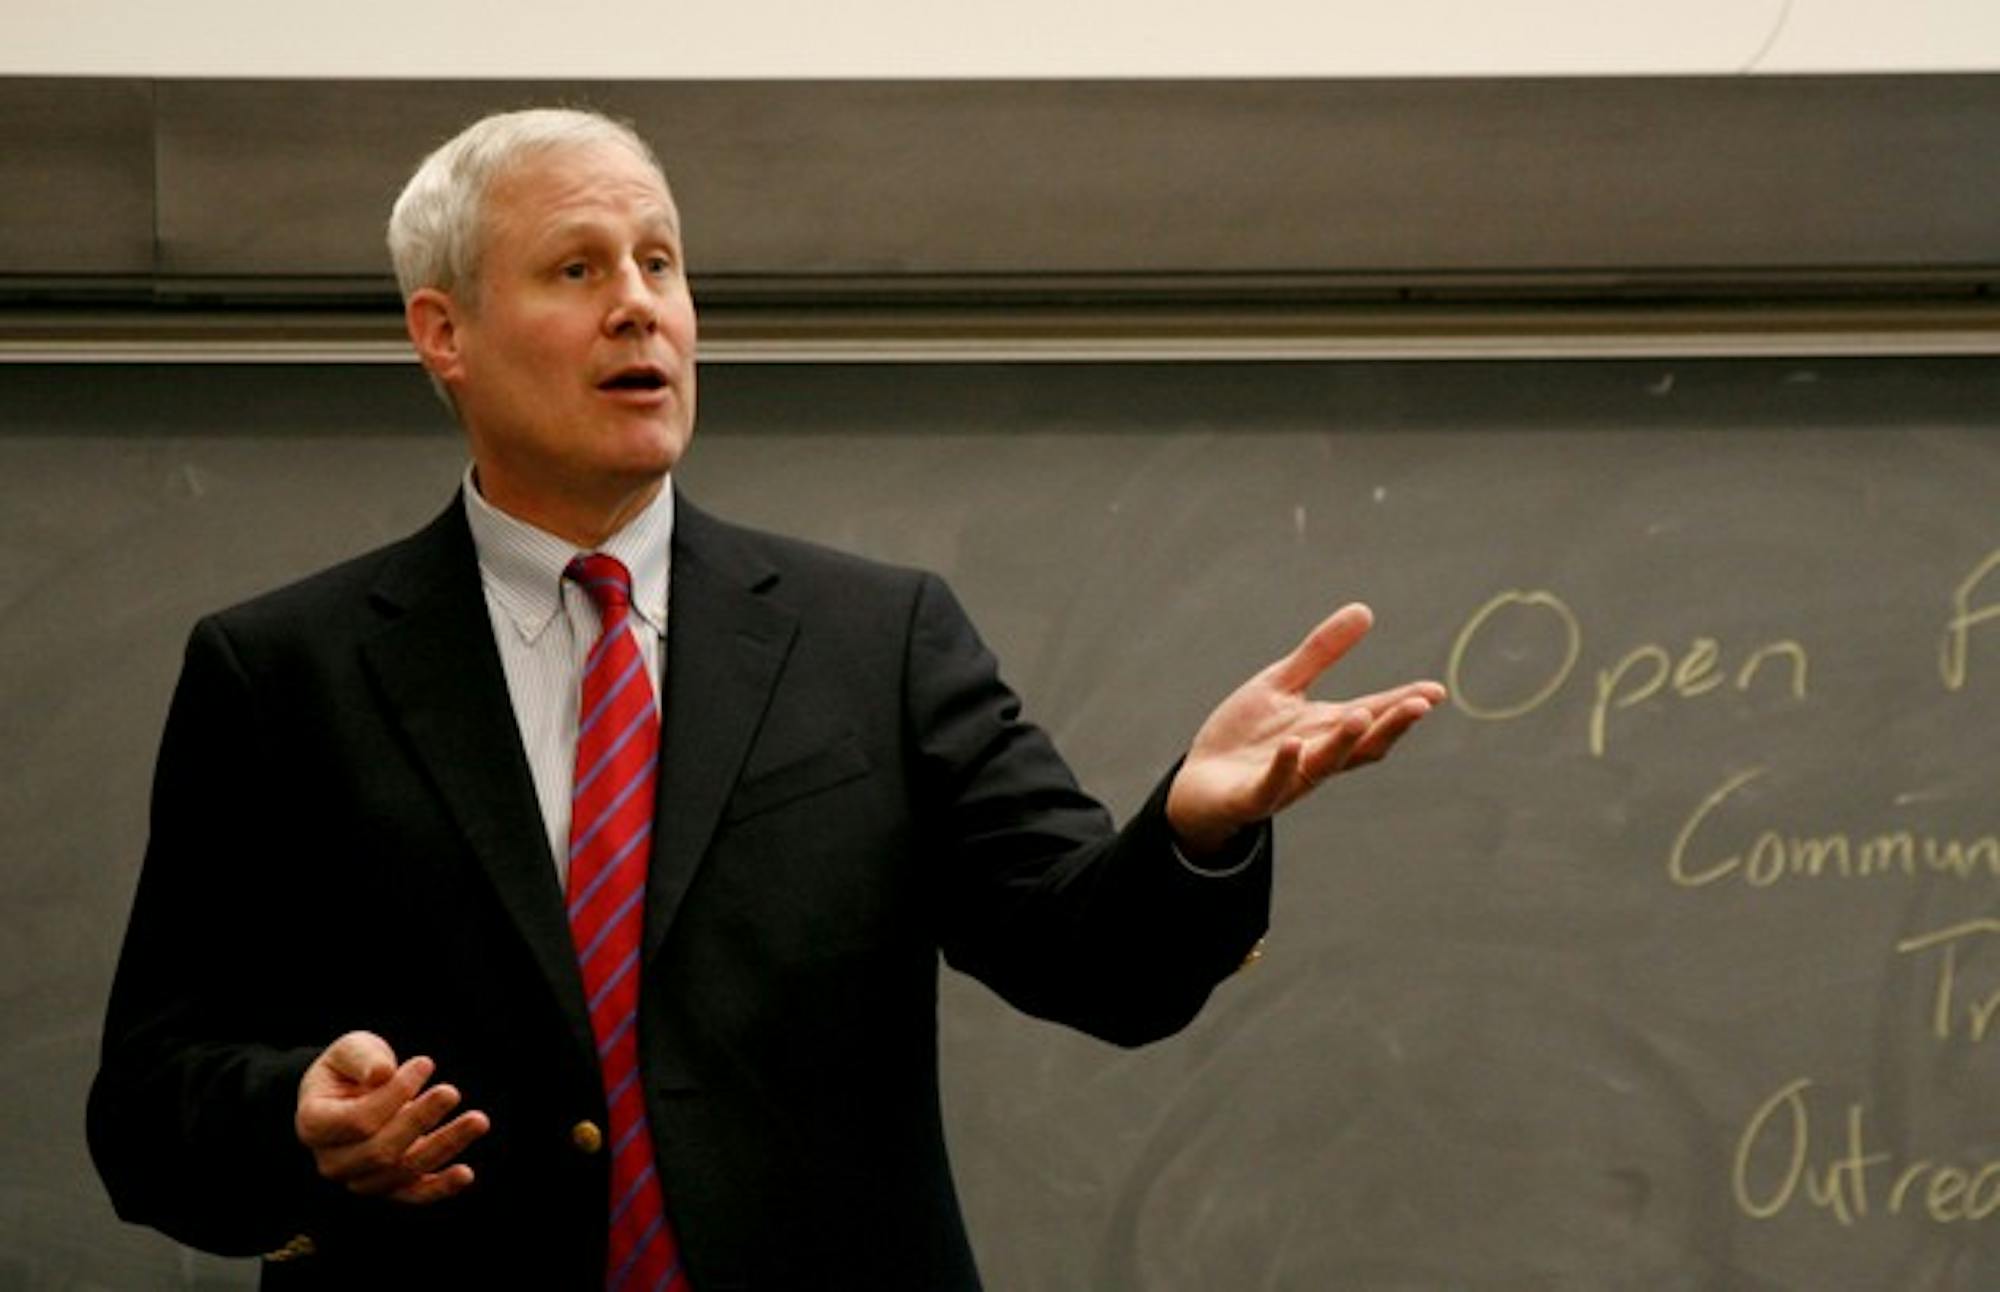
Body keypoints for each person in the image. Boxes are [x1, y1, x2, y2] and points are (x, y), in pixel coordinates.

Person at [87, 108, 1445, 1291]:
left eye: (662, 263)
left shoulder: (874, 636)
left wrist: (1194, 833)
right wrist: (294, 1118)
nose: (642, 305)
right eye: (579, 268)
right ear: (443, 331)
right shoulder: (284, 674)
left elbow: (1093, 964)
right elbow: (147, 1105)